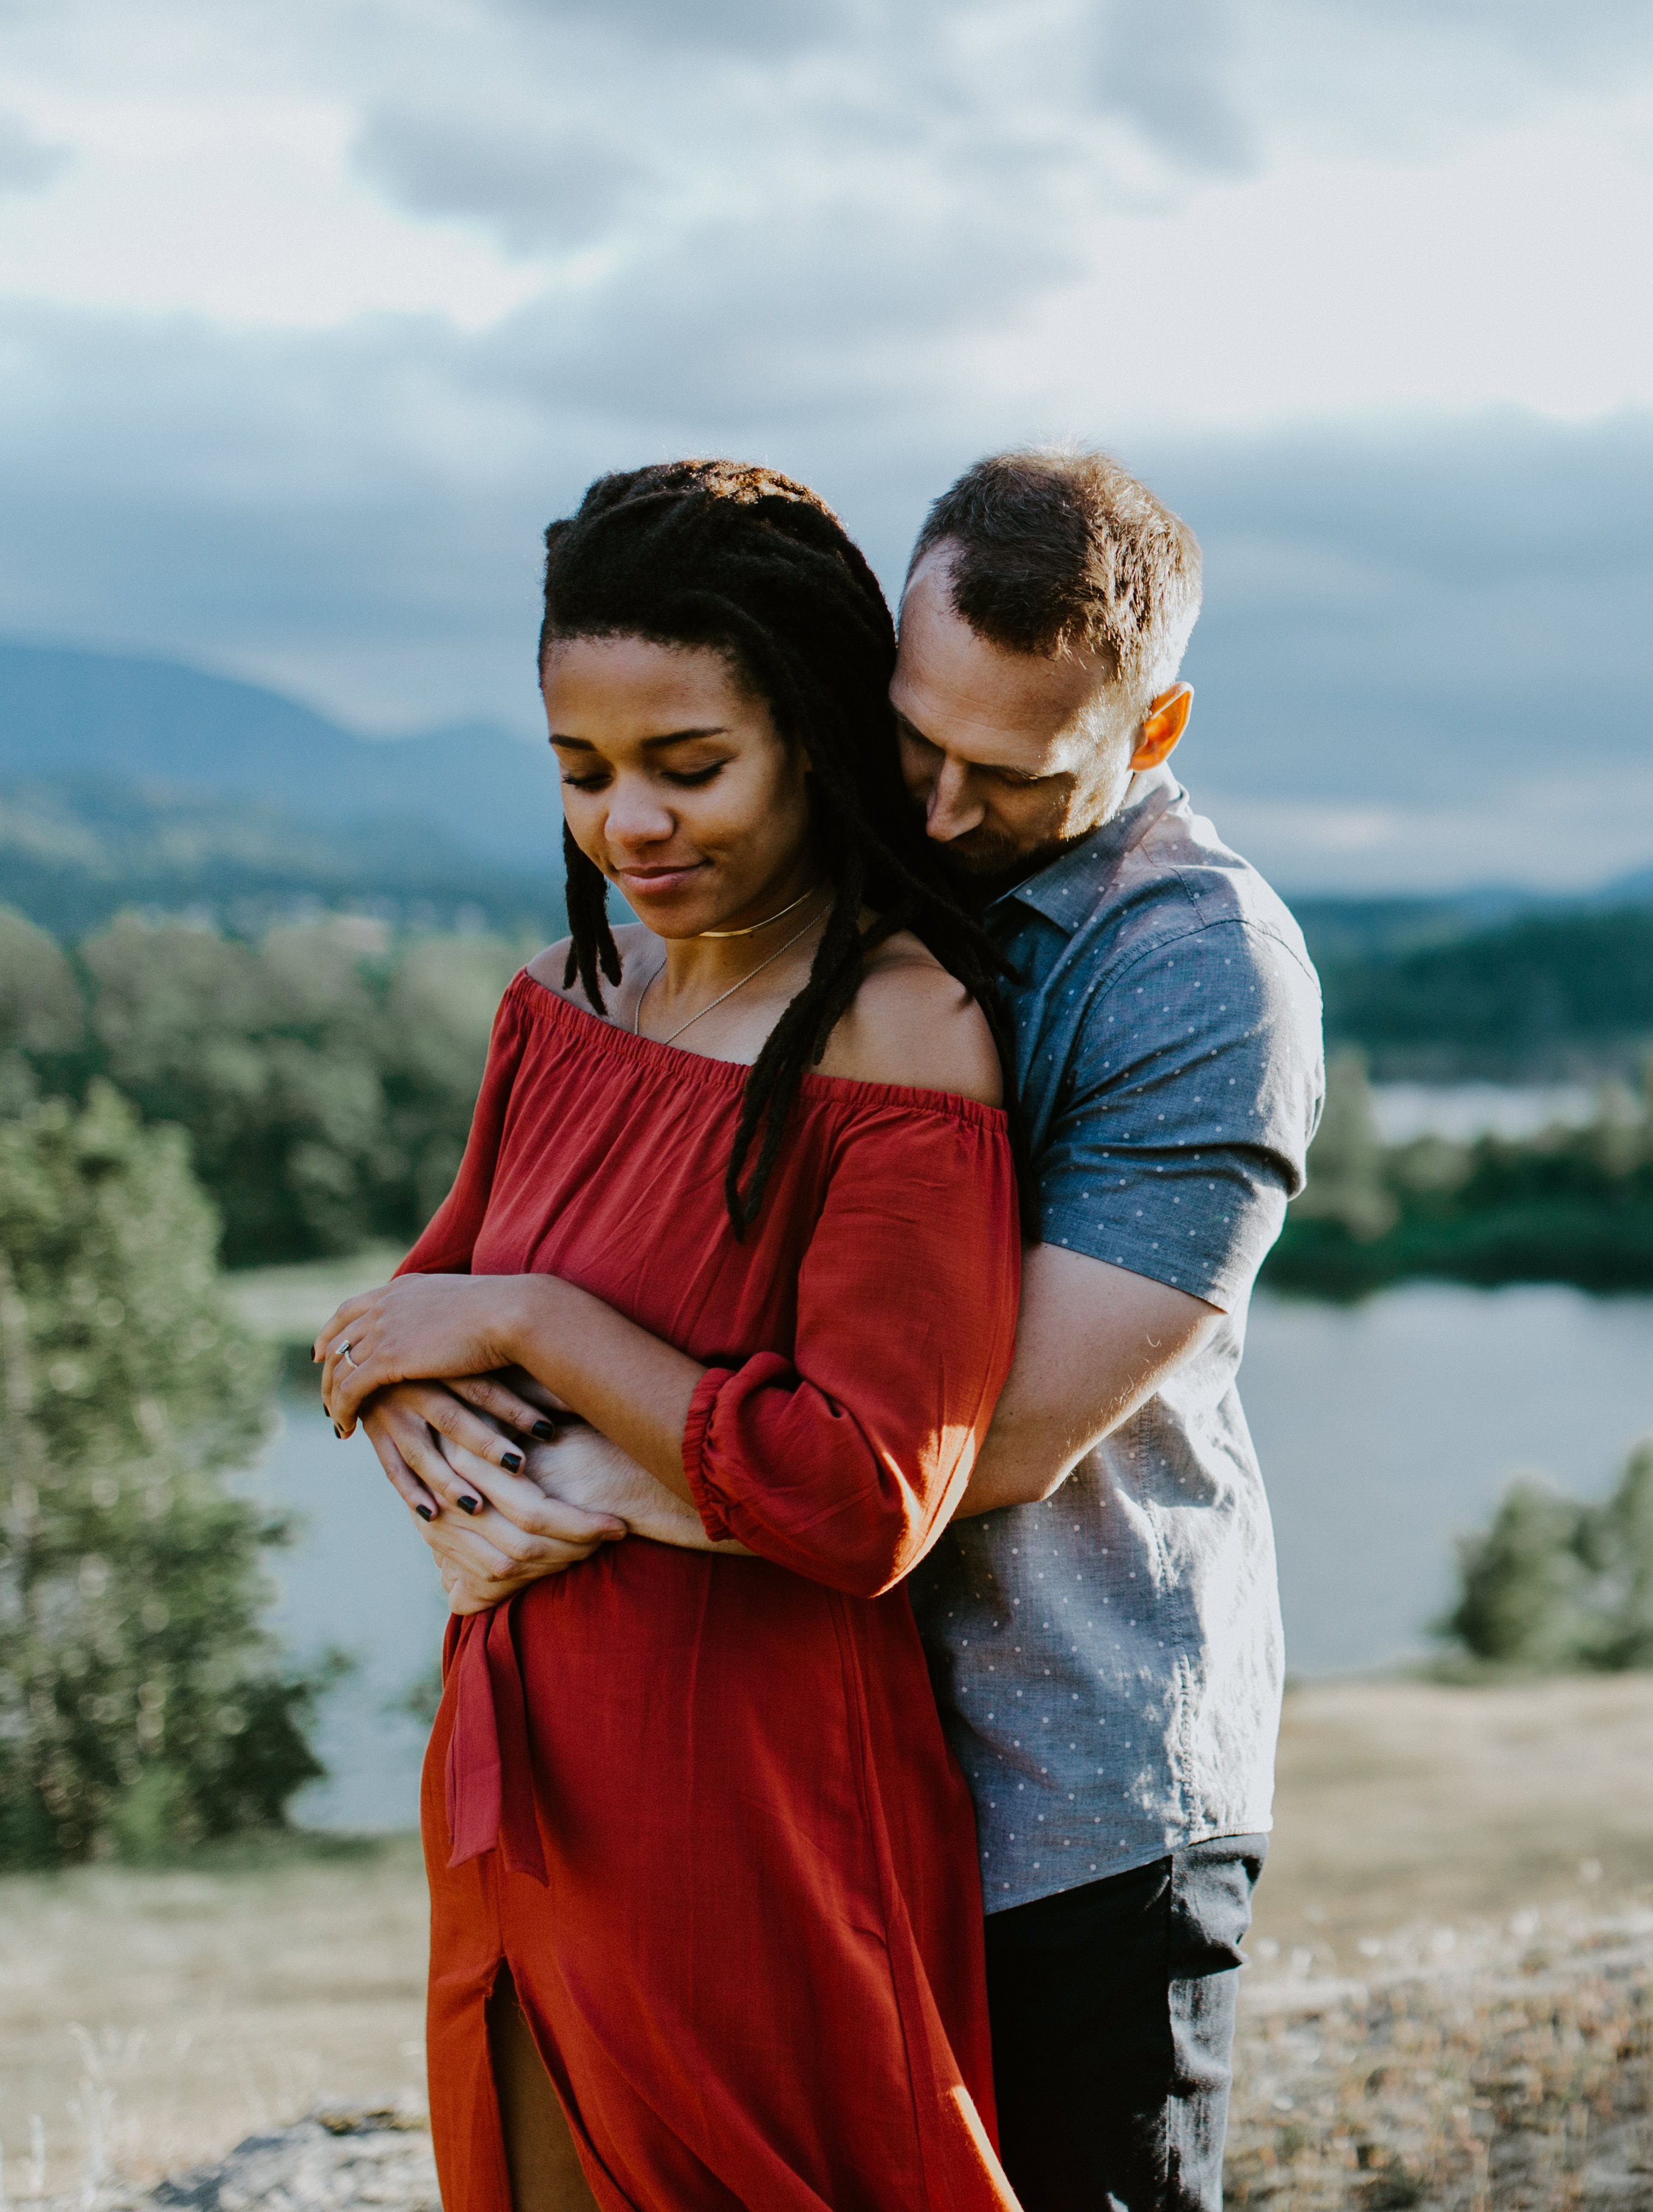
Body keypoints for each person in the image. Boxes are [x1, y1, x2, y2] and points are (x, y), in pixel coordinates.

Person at [359, 448, 1323, 2212]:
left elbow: (990, 1444)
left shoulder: (1194, 970)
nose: (944, 810)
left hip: (1072, 1770)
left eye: (1010, 774)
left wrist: (566, 1456)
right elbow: (444, 1293)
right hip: (797, 1752)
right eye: (914, 741)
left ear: (1153, 729)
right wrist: (420, 1412)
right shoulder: (751, 930)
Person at [319, 459, 1029, 2211]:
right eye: (584, 774)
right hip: (521, 1748)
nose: (628, 823)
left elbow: (864, 1495)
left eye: (687, 767)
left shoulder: (900, 1034)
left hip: (749, 1801)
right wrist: (414, 1421)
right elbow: (390, 1325)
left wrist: (538, 1327)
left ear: (813, 736)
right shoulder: (565, 1001)